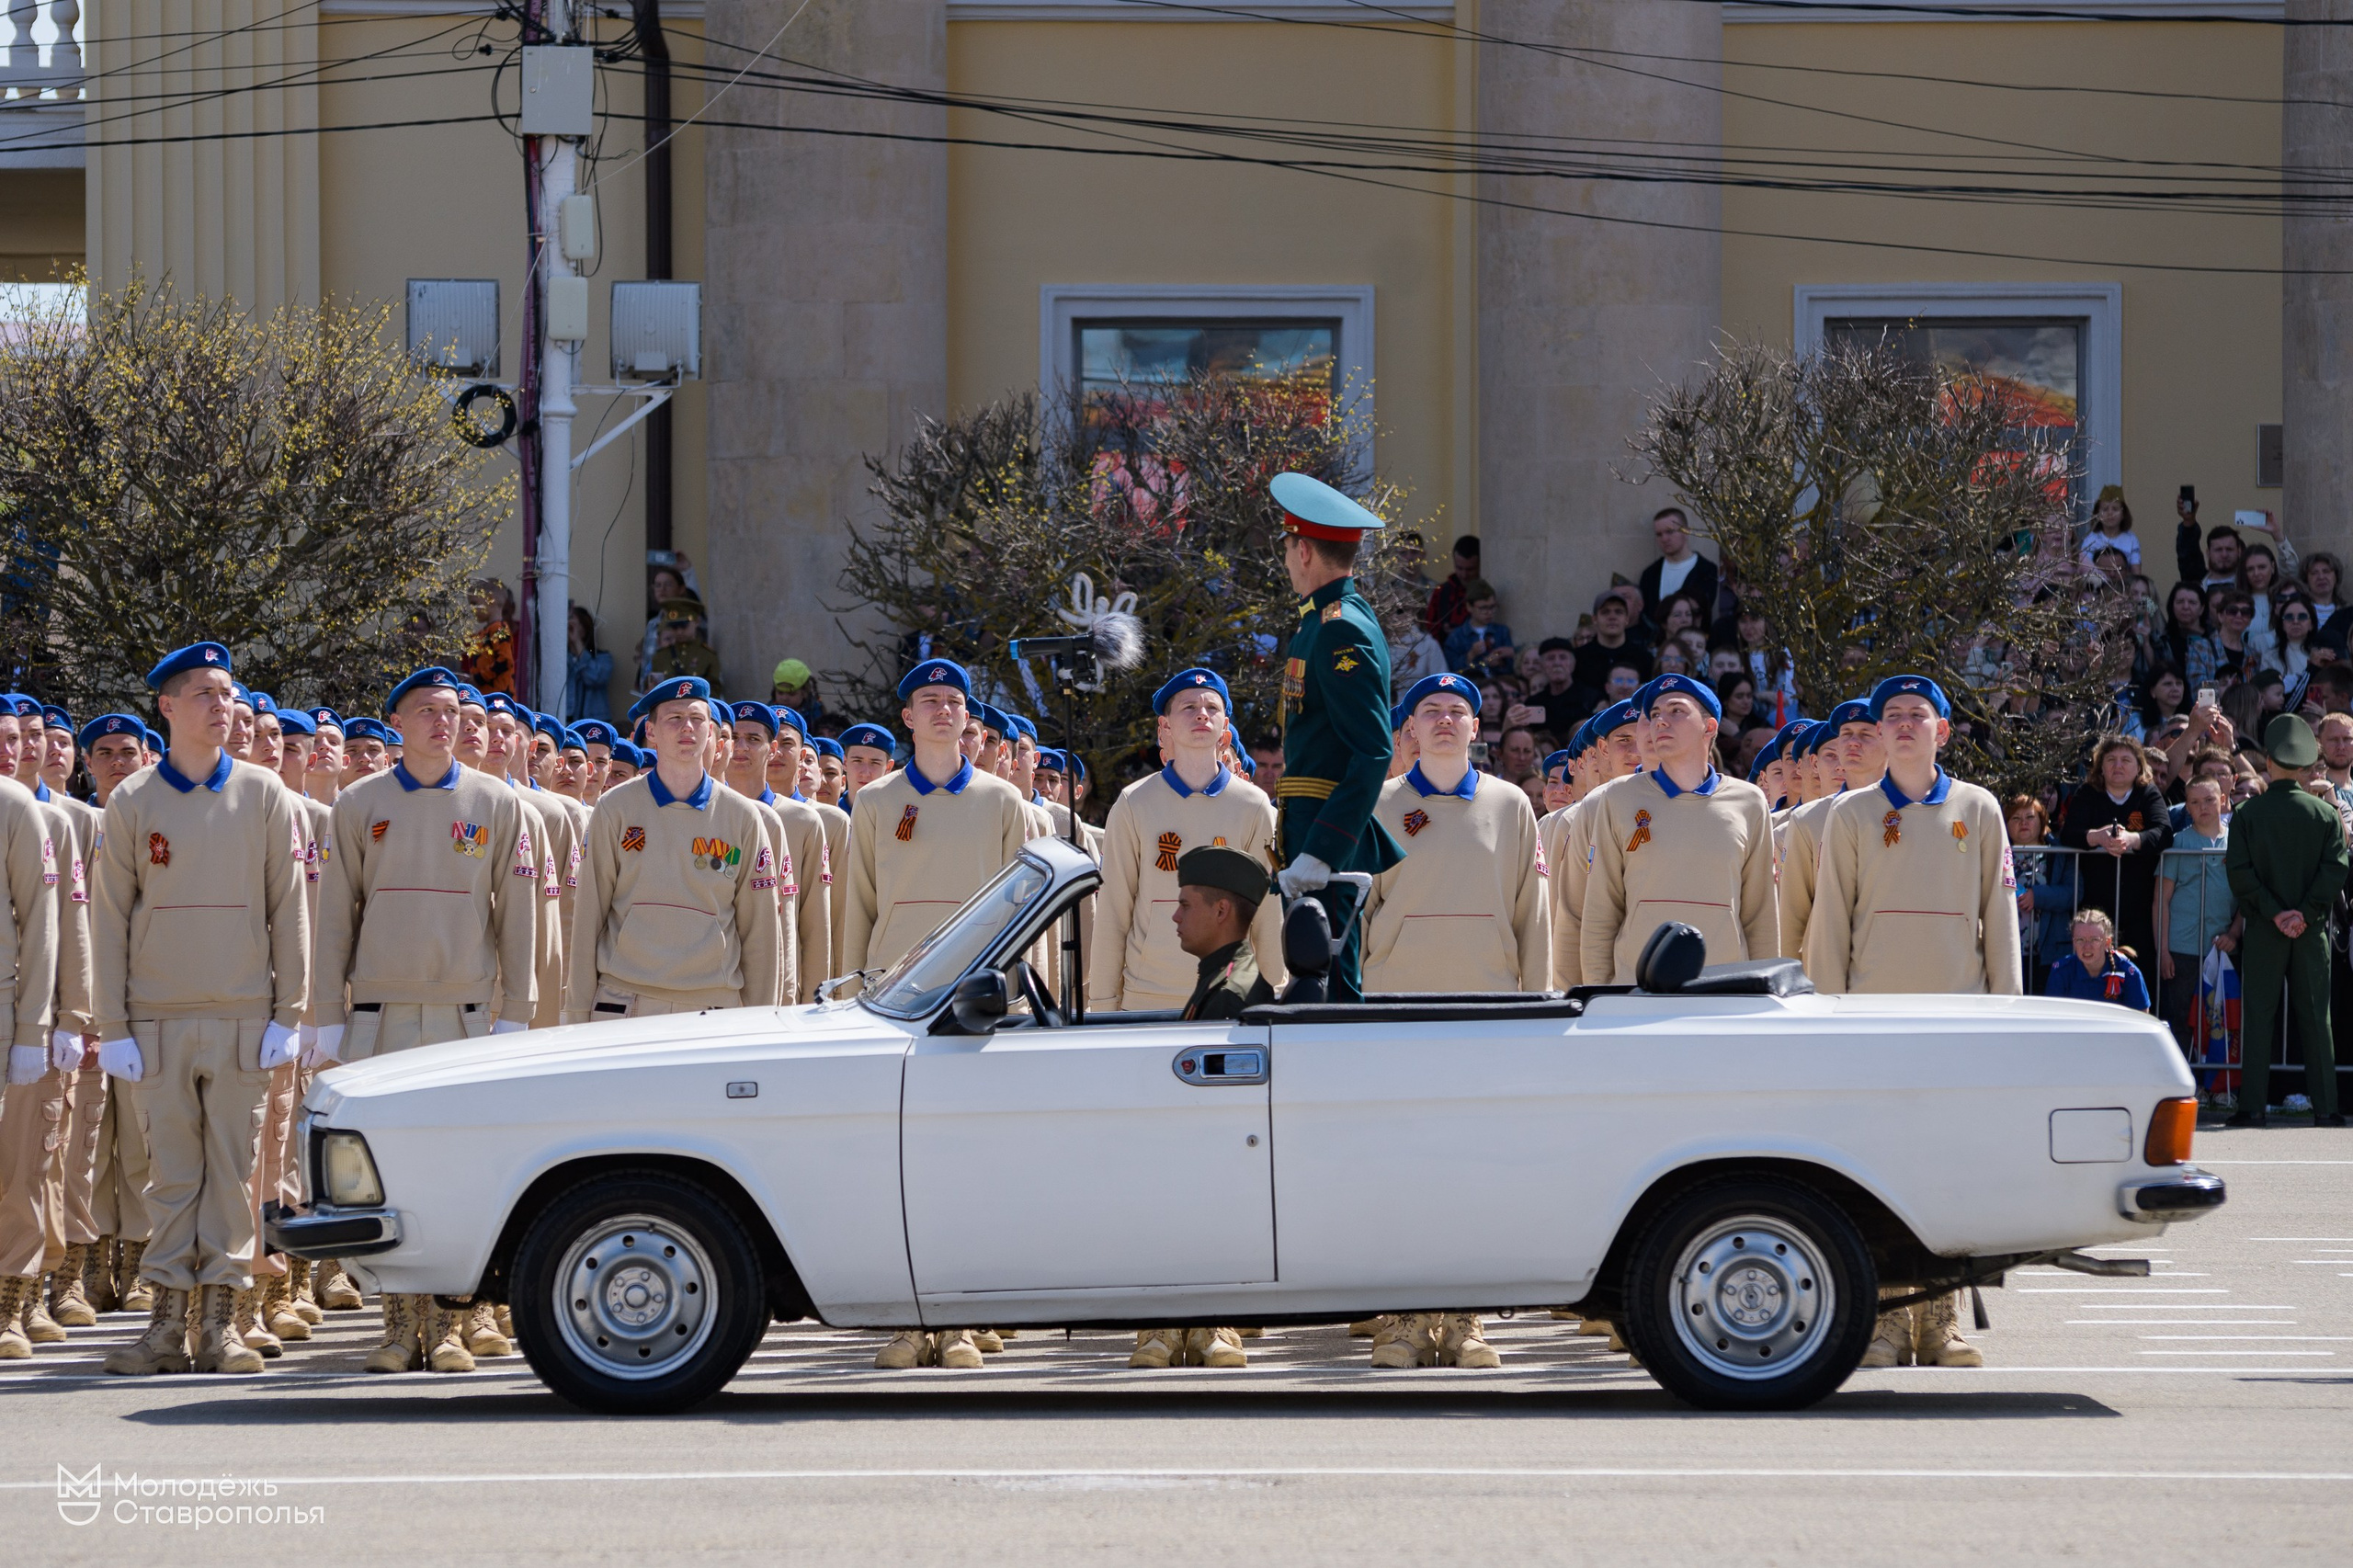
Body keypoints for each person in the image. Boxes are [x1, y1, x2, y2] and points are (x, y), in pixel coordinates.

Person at [307, 666, 540, 1372]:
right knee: (388, 1173)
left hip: (463, 1014)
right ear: (397, 724)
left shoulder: (497, 802)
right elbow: (334, 916)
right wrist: (324, 1015)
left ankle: (448, 1323)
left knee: (462, 1168)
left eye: (452, 711)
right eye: (427, 712)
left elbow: (520, 915)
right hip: (380, 1016)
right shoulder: (359, 803)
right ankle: (398, 1326)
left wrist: (517, 1011)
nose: (445, 723)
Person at [93, 643, 310, 1377]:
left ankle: (221, 1323)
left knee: (234, 1171)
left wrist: (292, 1011)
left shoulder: (265, 793)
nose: (224, 706)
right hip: (156, 1015)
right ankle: (163, 1325)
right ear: (169, 708)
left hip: (245, 1013)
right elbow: (111, 922)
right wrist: (113, 1026)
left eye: (229, 693)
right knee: (171, 1175)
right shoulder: (130, 803)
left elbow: (290, 907)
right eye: (206, 694)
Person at [1123, 846, 1274, 1372]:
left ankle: (1196, 1319)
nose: (1174, 915)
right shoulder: (1220, 976)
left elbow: (1216, 1132)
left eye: (1185, 903)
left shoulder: (1231, 990)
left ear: (1221, 911)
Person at [566, 676, 783, 1027]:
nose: (688, 728)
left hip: (713, 1007)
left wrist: (761, 1023)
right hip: (624, 1001)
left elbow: (761, 932)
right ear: (650, 732)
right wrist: (575, 1014)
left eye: (698, 719)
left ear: (711, 732)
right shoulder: (615, 808)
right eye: (675, 718)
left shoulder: (743, 817)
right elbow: (588, 916)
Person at [1267, 473, 1404, 1006]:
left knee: (1327, 984)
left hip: (1325, 830)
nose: (1285, 560)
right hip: (1312, 822)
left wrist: (1323, 852)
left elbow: (1372, 749)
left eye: (1286, 548)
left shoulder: (1338, 627)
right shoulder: (1325, 620)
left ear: (1303, 550)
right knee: (1315, 979)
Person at [1088, 669, 1284, 1013]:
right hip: (1146, 996)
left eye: (1212, 707)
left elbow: (1268, 914)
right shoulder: (1134, 803)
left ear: (1225, 727)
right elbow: (1113, 910)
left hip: (1231, 994)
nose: (1202, 714)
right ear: (1165, 727)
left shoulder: (1255, 806)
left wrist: (1275, 996)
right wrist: (1103, 1003)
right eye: (1189, 707)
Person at [1581, 674, 1777, 985]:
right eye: (1655, 714)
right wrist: (1599, 996)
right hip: (1636, 995)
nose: (1660, 722)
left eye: (1676, 711)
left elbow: (1760, 915)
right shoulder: (1619, 798)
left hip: (1724, 993)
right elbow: (1600, 914)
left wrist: (1764, 993)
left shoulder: (1750, 801)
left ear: (1709, 727)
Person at [1362, 673, 1548, 994]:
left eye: (1457, 712)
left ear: (1474, 728)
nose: (1445, 719)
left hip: (1491, 995)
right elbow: (1359, 913)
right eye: (1431, 711)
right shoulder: (1377, 804)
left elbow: (1533, 911)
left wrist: (1539, 997)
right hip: (1392, 995)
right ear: (1413, 728)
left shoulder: (1511, 803)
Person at [2222, 713, 2350, 1126]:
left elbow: (2240, 874)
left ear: (2270, 764)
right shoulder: (2326, 815)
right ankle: (2326, 1108)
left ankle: (2252, 1107)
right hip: (2311, 931)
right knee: (2317, 1017)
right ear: (2306, 764)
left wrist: (2277, 913)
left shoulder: (2246, 815)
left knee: (2259, 1014)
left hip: (2263, 928)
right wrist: (2305, 913)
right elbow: (2336, 869)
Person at [0, 702, 69, 1361]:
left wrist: (36, 1027)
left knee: (21, 1168)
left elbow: (43, 924)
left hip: (7, 1013)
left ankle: (12, 1305)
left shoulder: (16, 808)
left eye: (15, 739)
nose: (7, 749)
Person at [726, 701, 828, 997]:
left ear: (769, 749)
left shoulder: (803, 821)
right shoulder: (703, 813)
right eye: (734, 738)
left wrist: (813, 1000)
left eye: (754, 739)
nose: (741, 747)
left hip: (777, 987)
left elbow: (815, 925)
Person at [2057, 736, 2175, 968]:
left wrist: (2132, 839)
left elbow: (2164, 832)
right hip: (2096, 901)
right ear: (2101, 766)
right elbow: (2069, 833)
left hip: (2139, 903)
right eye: (2111, 759)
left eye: (2125, 760)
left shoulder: (2148, 793)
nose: (2118, 765)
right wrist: (2096, 836)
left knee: (2137, 970)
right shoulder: (2088, 792)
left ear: (2139, 766)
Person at [2156, 777, 2236, 1051]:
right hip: (2182, 949)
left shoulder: (2238, 842)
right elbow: (2160, 900)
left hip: (2222, 948)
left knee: (2222, 1021)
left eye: (2209, 800)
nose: (2202, 807)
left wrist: (2234, 934)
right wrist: (2163, 950)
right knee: (2182, 1020)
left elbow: (2249, 900)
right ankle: (2185, 1088)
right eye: (2194, 802)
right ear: (2186, 807)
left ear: (2223, 800)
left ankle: (2220, 1088)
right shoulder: (2178, 842)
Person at [2045, 909, 2152, 1010]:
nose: (2087, 946)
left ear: (2107, 943)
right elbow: (2052, 1017)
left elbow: (2141, 1019)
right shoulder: (2061, 971)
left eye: (2094, 940)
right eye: (2080, 940)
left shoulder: (2129, 974)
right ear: (2073, 943)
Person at [1637, 507, 1721, 635]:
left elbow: (1702, 609)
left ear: (1686, 531)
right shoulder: (1650, 574)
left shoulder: (1706, 570)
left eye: (1670, 532)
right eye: (1659, 534)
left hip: (1693, 644)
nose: (1664, 539)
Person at [1573, 591, 1651, 697]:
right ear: (1595, 619)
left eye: (1618, 612)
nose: (1612, 617)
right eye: (1605, 612)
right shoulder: (1578, 658)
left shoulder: (1644, 659)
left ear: (1626, 619)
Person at [646, 595, 723, 694]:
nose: (679, 632)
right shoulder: (660, 657)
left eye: (684, 626)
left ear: (697, 622)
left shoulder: (707, 656)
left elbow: (715, 691)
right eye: (674, 627)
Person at [1441, 579, 1515, 677]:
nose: (1489, 612)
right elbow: (1451, 671)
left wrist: (1500, 663)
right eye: (1483, 608)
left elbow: (1513, 667)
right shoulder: (1457, 636)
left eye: (1492, 607)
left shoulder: (1502, 632)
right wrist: (1470, 655)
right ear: (1469, 607)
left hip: (1498, 686)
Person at [460, 578, 519, 697]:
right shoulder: (485, 632)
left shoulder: (499, 629)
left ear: (490, 600)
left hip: (500, 696)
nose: (472, 609)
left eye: (474, 604)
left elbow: (505, 661)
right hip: (486, 695)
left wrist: (479, 678)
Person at [1425, 534, 1480, 640]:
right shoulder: (1441, 593)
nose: (1464, 575)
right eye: (1459, 568)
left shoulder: (1486, 592)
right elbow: (1430, 628)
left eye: (1470, 569)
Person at [566, 604, 613, 722]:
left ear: (585, 629)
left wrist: (577, 642)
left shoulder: (604, 658)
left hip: (594, 723)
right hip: (567, 721)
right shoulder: (561, 660)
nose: (570, 630)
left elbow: (594, 678)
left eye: (574, 626)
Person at [2080, 485, 2142, 569]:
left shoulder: (2131, 539)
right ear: (2097, 515)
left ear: (2123, 514)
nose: (2110, 513)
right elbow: (2085, 570)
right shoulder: (2091, 540)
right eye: (2105, 509)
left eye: (2115, 509)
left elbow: (2136, 573)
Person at [769, 659, 825, 730]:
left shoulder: (814, 713)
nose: (785, 698)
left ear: (804, 692)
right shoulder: (769, 711)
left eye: (791, 694)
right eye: (780, 693)